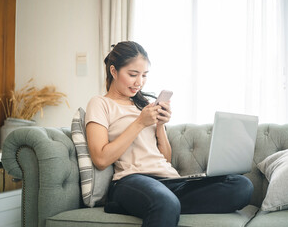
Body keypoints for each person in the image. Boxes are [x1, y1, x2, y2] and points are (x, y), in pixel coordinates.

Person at [85, 41, 254, 227]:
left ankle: (150, 205)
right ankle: (158, 204)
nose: (139, 82)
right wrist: (140, 123)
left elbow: (165, 159)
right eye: (133, 74)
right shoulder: (100, 103)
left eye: (144, 75)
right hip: (131, 180)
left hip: (169, 180)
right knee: (165, 202)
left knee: (241, 186)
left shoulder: (144, 106)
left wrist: (159, 126)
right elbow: (100, 158)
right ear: (114, 71)